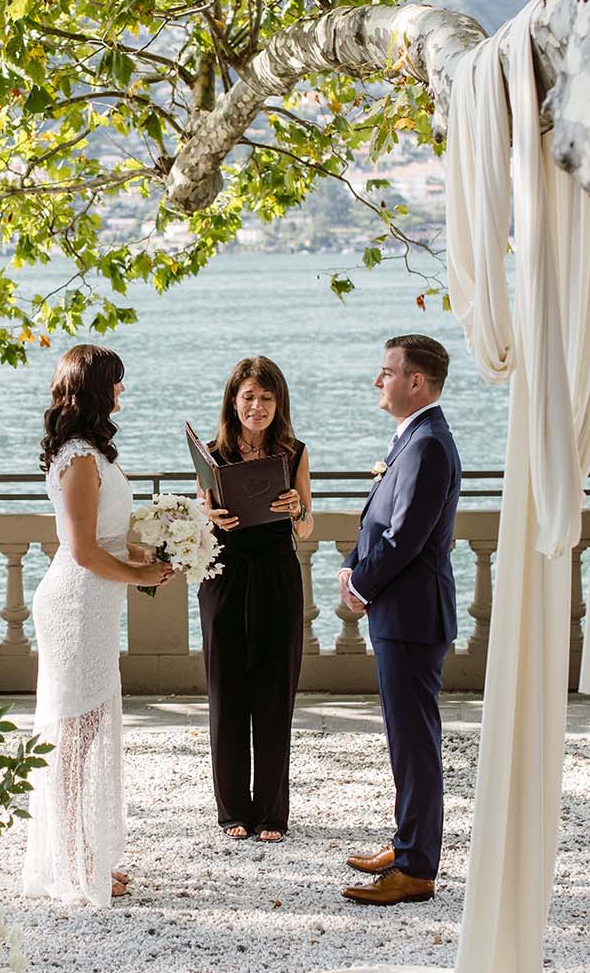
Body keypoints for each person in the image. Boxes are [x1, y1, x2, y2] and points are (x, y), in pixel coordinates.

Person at [22, 344, 171, 908]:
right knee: (73, 742)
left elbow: (106, 536)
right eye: (115, 381)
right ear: (93, 388)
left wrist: (153, 552)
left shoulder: (90, 454)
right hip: (77, 603)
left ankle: (82, 854)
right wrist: (138, 575)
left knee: (81, 736)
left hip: (96, 603)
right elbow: (82, 551)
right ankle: (75, 863)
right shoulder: (80, 458)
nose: (121, 391)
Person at [339, 334, 461, 907]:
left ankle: (416, 868)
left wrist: (361, 584)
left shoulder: (429, 444)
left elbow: (407, 535)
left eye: (386, 371)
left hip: (411, 618)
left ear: (416, 382)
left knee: (414, 743)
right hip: (400, 613)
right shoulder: (414, 438)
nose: (377, 380)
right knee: (405, 739)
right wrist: (350, 565)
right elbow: (378, 520)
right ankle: (407, 841)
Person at [197, 355, 313, 844]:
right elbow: (198, 524)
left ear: (278, 402)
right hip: (223, 577)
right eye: (249, 397)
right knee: (227, 693)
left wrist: (297, 508)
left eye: (267, 398)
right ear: (233, 400)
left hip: (276, 575)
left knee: (273, 692)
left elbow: (307, 528)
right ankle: (232, 812)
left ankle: (271, 812)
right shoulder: (210, 452)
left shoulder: (294, 451)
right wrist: (212, 520)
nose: (257, 406)